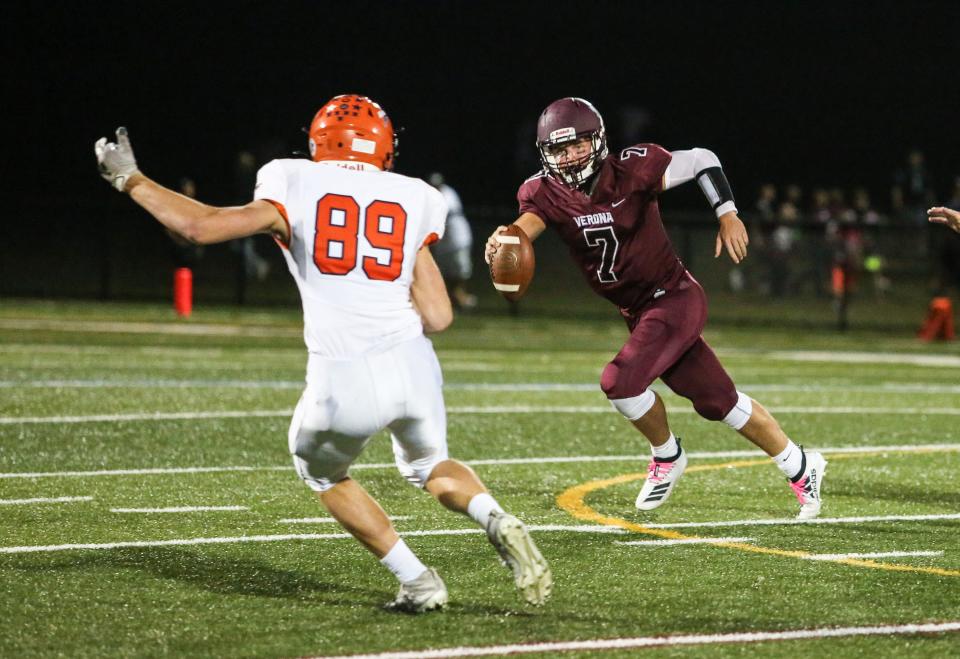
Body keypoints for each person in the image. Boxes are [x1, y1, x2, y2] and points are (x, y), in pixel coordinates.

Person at [95, 94, 551, 613]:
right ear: (383, 146)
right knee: (430, 465)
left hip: (344, 372)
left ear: (319, 142)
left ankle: (419, 581)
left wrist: (129, 179)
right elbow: (440, 316)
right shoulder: (414, 195)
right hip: (414, 364)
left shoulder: (293, 179)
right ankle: (493, 515)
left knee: (321, 471)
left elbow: (200, 226)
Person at [485, 97, 826, 519]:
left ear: (599, 141)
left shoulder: (634, 168)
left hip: (674, 297)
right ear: (545, 155)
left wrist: (728, 212)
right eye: (558, 150)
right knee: (719, 402)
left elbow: (702, 158)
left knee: (619, 381)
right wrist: (503, 241)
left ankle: (667, 455)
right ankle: (802, 466)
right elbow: (522, 233)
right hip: (636, 312)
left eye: (577, 146)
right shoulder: (543, 192)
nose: (569, 158)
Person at [428, 172, 477, 310]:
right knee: (446, 272)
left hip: (457, 238)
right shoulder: (433, 195)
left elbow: (442, 213)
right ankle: (455, 298)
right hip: (444, 242)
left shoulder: (448, 193)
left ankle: (462, 296)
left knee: (461, 271)